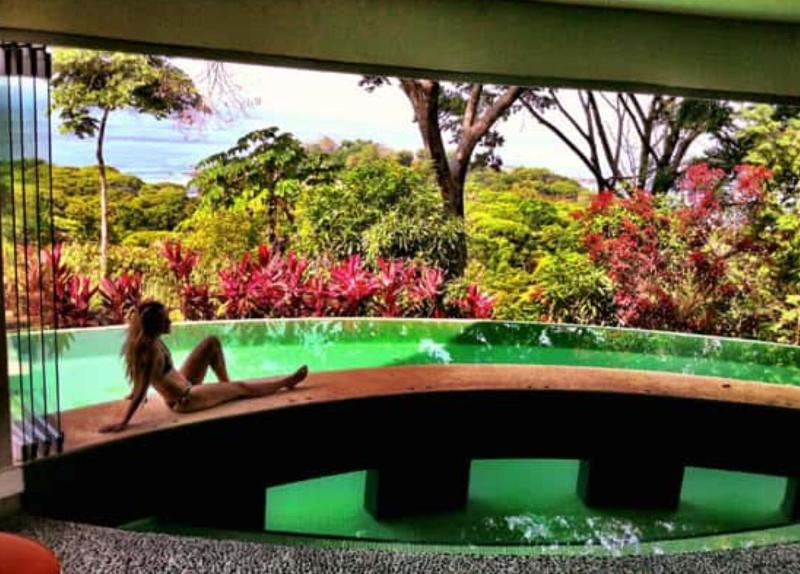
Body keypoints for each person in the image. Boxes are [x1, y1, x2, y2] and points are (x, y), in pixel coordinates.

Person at [99, 300, 308, 433]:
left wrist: (135, 390)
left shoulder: (153, 340)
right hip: (186, 399)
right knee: (242, 388)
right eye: (165, 319)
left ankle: (226, 386)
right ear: (155, 325)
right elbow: (143, 386)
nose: (170, 321)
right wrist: (123, 422)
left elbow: (143, 380)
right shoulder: (149, 353)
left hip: (186, 382)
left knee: (211, 342)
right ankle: (285, 382)